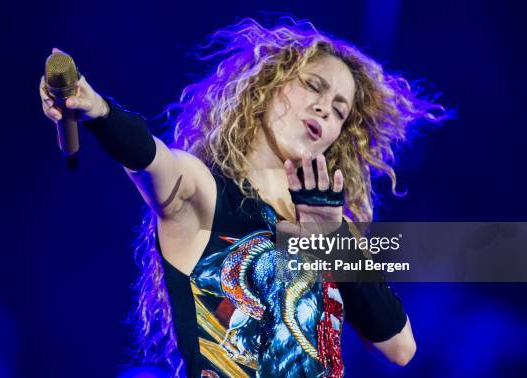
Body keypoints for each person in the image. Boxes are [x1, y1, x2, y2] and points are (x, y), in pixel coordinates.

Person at [39, 18, 449, 378]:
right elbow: (152, 159)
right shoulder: (205, 195)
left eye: (340, 111)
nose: (325, 109)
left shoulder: (322, 231)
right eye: (314, 86)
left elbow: (400, 347)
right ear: (268, 85)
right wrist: (99, 111)